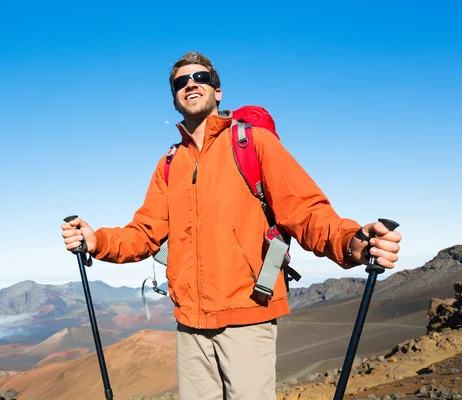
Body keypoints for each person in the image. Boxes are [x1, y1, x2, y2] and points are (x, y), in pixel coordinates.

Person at [61, 51, 402, 400]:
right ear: (175, 97)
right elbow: (144, 233)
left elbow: (304, 210)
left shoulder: (253, 143)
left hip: (248, 317)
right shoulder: (169, 164)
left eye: (201, 78)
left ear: (217, 91)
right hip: (190, 325)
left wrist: (351, 243)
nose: (191, 84)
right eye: (181, 82)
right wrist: (96, 241)